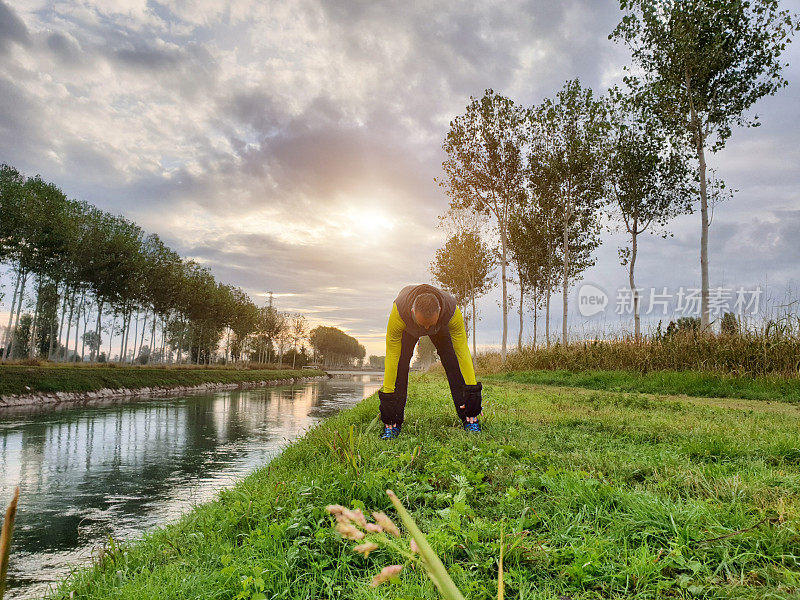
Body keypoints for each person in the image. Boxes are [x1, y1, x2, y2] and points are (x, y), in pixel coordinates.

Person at [378, 283, 483, 440]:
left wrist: (472, 394)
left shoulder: (452, 311)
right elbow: (392, 356)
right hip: (408, 329)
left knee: (453, 362)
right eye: (422, 325)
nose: (426, 329)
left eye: (430, 324)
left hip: (441, 329)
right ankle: (393, 422)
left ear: (439, 311)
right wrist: (387, 401)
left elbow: (462, 351)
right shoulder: (399, 313)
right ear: (413, 312)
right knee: (400, 363)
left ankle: (469, 418)